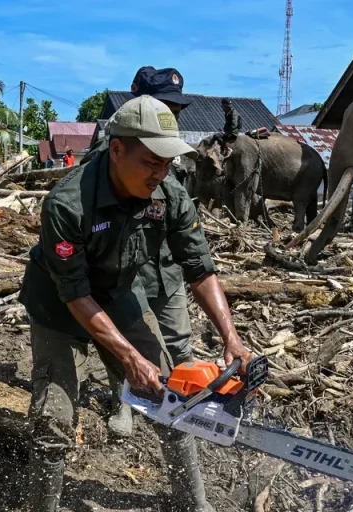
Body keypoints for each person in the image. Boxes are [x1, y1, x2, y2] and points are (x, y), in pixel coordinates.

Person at [19, 95, 252, 512]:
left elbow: (199, 267)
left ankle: (194, 504)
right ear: (116, 150)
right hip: (58, 306)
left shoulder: (169, 192)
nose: (160, 173)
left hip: (119, 292)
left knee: (173, 395)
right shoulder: (67, 203)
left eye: (166, 163)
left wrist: (230, 337)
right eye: (150, 162)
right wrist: (127, 357)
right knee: (54, 419)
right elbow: (74, 292)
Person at [78, 65, 196, 437]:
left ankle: (188, 409)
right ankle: (124, 401)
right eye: (164, 107)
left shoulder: (175, 152)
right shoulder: (112, 148)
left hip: (166, 265)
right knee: (127, 343)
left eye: (175, 110)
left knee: (179, 342)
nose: (171, 117)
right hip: (127, 269)